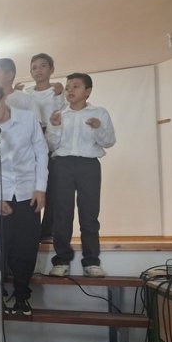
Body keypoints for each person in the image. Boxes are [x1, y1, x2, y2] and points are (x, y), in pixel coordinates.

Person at [0, 77, 48, 316]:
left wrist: (41, 188)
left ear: (3, 97)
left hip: (28, 192)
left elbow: (41, 152)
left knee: (26, 246)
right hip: (0, 194)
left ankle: (22, 295)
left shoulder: (27, 119)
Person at [46, 73, 116, 278]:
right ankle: (61, 260)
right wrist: (55, 126)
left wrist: (98, 128)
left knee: (89, 214)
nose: (70, 90)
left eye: (76, 86)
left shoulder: (99, 113)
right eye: (68, 87)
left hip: (88, 165)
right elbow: (51, 145)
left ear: (87, 91)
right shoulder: (59, 114)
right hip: (62, 164)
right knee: (62, 214)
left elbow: (109, 141)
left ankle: (91, 261)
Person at [23, 53, 65, 243]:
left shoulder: (58, 91)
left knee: (52, 187)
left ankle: (48, 231)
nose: (38, 70)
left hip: (53, 139)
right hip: (31, 140)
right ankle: (31, 229)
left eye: (43, 66)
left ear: (51, 69)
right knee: (33, 185)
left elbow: (64, 113)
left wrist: (59, 94)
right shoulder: (27, 93)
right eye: (34, 67)